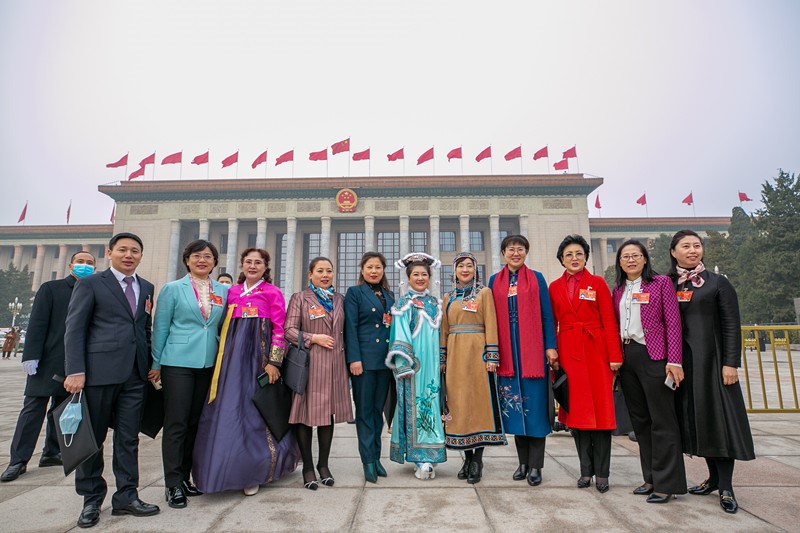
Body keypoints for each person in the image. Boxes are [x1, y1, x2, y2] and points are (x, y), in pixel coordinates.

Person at [63, 233, 159, 528]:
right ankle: (91, 499)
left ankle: (126, 497)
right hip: (97, 373)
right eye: (123, 250)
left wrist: (150, 365)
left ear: (141, 255)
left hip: (134, 375)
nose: (129, 255)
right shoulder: (91, 283)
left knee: (128, 438)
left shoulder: (146, 287)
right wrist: (75, 370)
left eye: (135, 251)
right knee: (92, 440)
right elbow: (75, 328)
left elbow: (144, 328)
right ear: (110, 252)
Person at [192, 248, 299, 496]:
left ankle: (255, 471)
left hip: (257, 360)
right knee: (228, 411)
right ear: (241, 265)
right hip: (230, 361)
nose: (253, 266)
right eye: (248, 261)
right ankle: (227, 468)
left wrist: (274, 362)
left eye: (258, 262)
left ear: (265, 267)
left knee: (255, 413)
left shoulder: (271, 292)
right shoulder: (232, 292)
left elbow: (279, 329)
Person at [668, 229, 755, 514]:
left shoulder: (717, 283)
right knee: (698, 421)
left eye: (696, 246)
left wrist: (731, 363)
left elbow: (732, 325)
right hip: (684, 365)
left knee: (719, 421)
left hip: (714, 363)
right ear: (674, 252)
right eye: (685, 246)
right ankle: (712, 479)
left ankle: (726, 487)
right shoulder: (667, 283)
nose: (692, 250)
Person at [1, 252, 96, 483]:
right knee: (33, 409)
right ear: (71, 264)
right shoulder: (51, 288)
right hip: (47, 359)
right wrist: (31, 355)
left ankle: (52, 453)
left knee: (63, 410)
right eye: (81, 262)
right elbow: (37, 322)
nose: (85, 266)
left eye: (90, 263)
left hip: (74, 363)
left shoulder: (94, 290)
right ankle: (18, 460)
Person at [148, 240, 228, 509]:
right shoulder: (173, 289)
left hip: (207, 363)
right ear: (187, 260)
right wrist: (156, 363)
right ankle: (172, 484)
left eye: (208, 256)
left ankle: (185, 478)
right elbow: (160, 327)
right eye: (197, 256)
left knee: (195, 421)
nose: (202, 260)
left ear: (215, 262)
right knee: (176, 423)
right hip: (177, 362)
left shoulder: (223, 291)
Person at [611, 239, 687, 504]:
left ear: (645, 258)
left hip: (655, 357)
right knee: (640, 421)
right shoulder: (618, 289)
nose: (630, 260)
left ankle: (668, 483)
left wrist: (674, 360)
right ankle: (650, 478)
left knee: (662, 419)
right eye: (625, 257)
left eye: (636, 255)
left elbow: (673, 324)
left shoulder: (662, 284)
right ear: (619, 262)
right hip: (628, 357)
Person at [548, 235, 622, 493]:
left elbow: (609, 320)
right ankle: (585, 471)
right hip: (569, 352)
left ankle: (602, 473)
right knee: (577, 415)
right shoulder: (555, 287)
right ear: (561, 259)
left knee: (600, 413)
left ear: (586, 257)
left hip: (595, 351)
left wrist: (614, 355)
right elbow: (552, 323)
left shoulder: (597, 283)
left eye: (579, 253)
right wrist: (553, 352)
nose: (574, 258)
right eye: (569, 254)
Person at [489, 235, 558, 487]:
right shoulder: (494, 281)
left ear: (526, 252)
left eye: (520, 249)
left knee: (536, 411)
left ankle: (536, 466)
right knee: (516, 411)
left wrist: (551, 346)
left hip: (533, 354)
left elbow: (547, 316)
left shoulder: (537, 278)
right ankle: (522, 463)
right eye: (510, 249)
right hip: (509, 355)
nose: (515, 253)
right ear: (503, 253)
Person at [285, 257, 354, 490]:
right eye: (320, 271)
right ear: (310, 274)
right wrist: (313, 338)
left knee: (328, 415)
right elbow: (289, 330)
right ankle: (307, 467)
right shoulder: (300, 299)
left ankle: (323, 464)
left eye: (329, 271)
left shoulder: (339, 300)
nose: (325, 275)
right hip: (310, 365)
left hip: (335, 366)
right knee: (305, 416)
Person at [440, 252, 506, 484]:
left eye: (469, 266)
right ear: (454, 271)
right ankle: (466, 458)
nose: (465, 270)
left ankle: (477, 460)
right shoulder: (448, 297)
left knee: (478, 404)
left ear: (475, 270)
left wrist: (492, 355)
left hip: (477, 354)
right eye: (461, 266)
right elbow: (444, 330)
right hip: (456, 355)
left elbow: (491, 322)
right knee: (459, 405)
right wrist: (443, 358)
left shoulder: (484, 293)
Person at [386, 253, 446, 480]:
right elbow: (399, 335)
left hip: (433, 366)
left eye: (424, 274)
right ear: (408, 278)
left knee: (431, 405)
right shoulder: (403, 304)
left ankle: (432, 452)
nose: (420, 278)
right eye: (415, 275)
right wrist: (404, 364)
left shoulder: (435, 304)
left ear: (430, 277)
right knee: (414, 407)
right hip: (414, 366)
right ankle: (419, 456)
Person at [344, 252, 396, 483]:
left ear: (383, 270)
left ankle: (376, 458)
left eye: (378, 267)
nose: (374, 271)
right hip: (363, 362)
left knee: (378, 413)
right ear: (362, 270)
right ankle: (367, 461)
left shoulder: (390, 295)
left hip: (384, 362)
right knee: (364, 413)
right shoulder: (355, 293)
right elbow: (351, 328)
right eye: (369, 267)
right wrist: (354, 359)